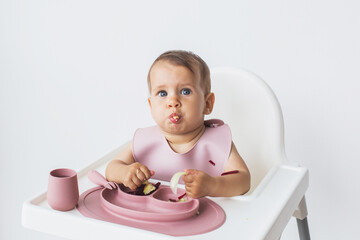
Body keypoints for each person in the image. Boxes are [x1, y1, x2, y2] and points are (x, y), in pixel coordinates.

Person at [106, 50, 250, 198]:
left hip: (204, 217)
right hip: (149, 216)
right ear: (151, 105)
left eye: (185, 91)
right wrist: (126, 173)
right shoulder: (145, 140)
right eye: (162, 93)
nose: (172, 101)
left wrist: (212, 185)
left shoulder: (217, 142)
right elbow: (111, 168)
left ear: (207, 103)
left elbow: (243, 179)